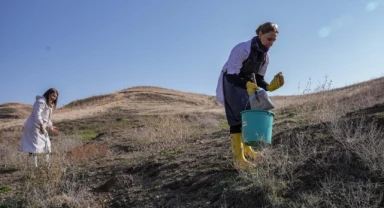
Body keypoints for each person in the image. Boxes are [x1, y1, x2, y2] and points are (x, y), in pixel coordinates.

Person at [215, 22, 285, 170]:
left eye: (274, 40)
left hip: (249, 85)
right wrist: (246, 84)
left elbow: (259, 78)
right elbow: (232, 74)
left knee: (247, 117)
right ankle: (238, 158)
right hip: (231, 83)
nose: (271, 43)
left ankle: (248, 150)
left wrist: (269, 86)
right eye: (269, 39)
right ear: (260, 34)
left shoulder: (265, 57)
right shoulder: (242, 49)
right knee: (236, 119)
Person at [20, 88, 59, 167]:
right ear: (48, 94)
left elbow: (46, 118)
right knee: (34, 147)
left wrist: (50, 126)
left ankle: (47, 165)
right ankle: (34, 167)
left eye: (55, 97)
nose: (54, 98)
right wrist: (41, 125)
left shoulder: (49, 104)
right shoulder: (40, 101)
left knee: (47, 144)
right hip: (33, 126)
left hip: (40, 125)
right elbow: (36, 114)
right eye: (53, 95)